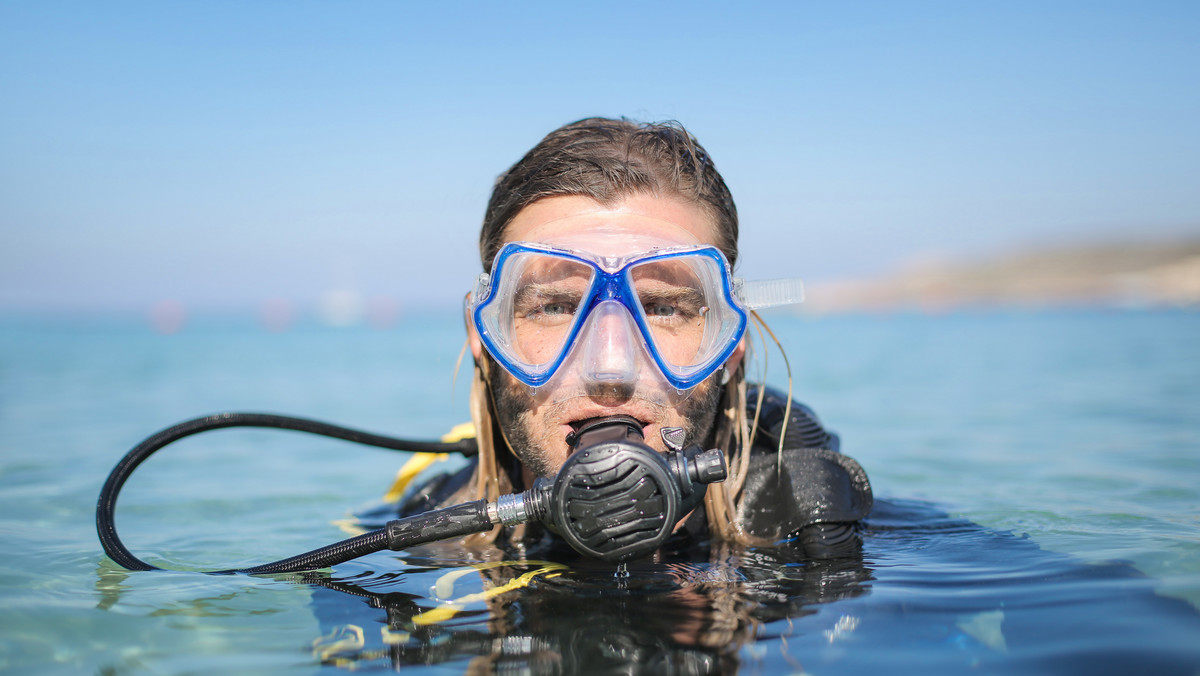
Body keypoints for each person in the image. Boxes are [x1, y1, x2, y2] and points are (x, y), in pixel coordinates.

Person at [386, 117, 872, 558]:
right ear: (483, 334)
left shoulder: (818, 532)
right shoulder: (421, 534)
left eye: (663, 308)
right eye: (555, 306)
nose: (610, 370)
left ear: (731, 340)